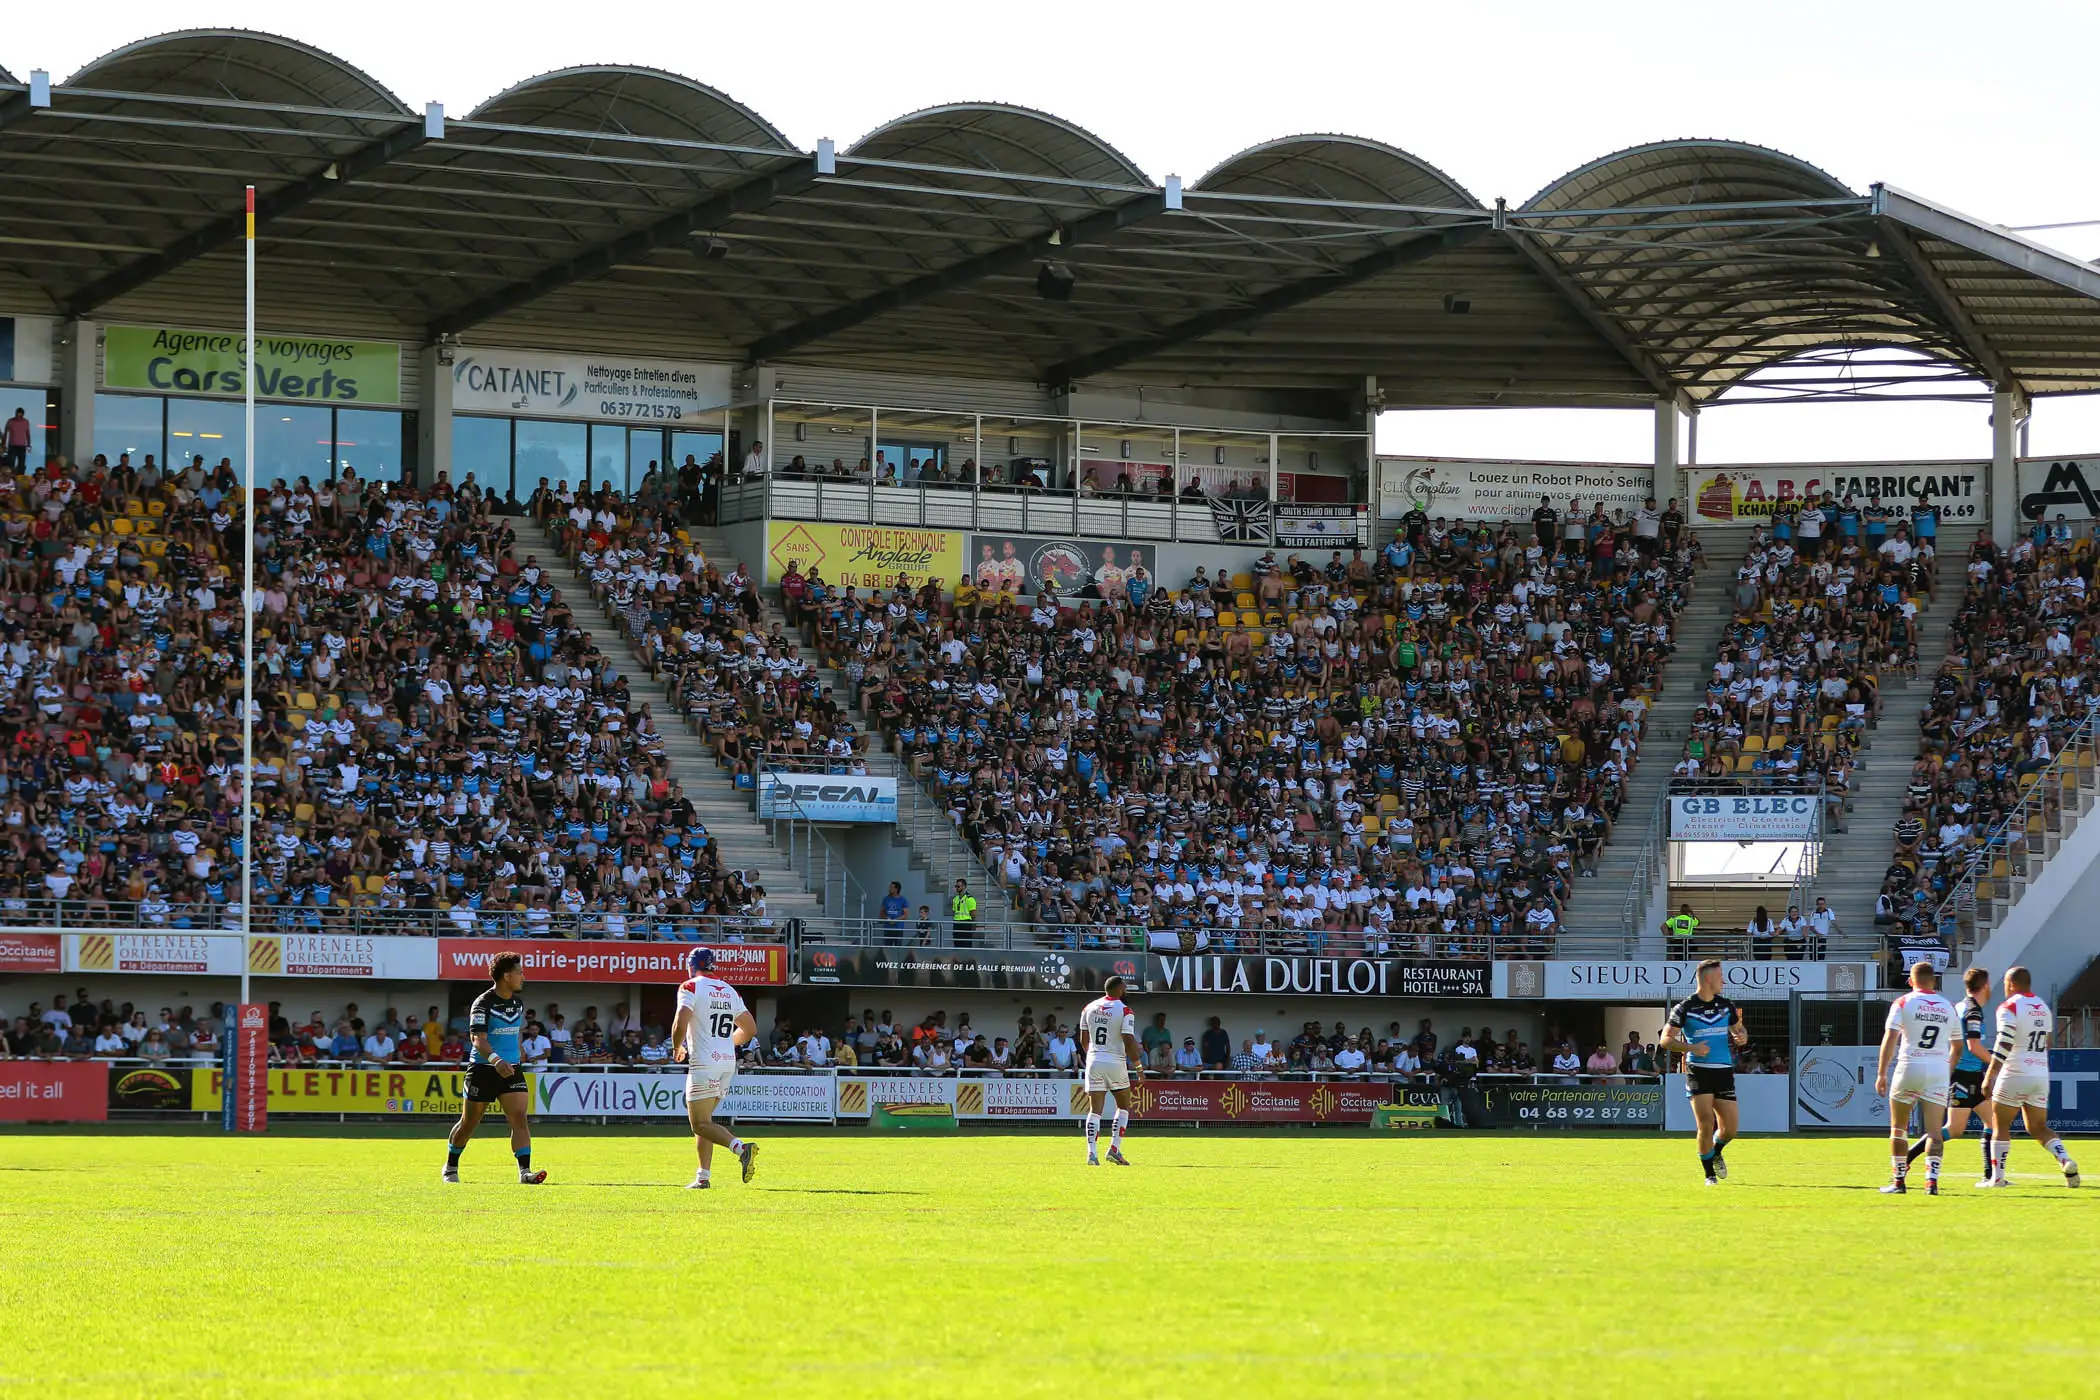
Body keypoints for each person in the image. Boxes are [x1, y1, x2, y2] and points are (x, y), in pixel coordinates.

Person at [444, 951, 547, 1185]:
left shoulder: (517, 1003)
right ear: (506, 975)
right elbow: (477, 1038)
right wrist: (496, 1060)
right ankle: (450, 1166)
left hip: (511, 1069)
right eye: (520, 972)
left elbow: (513, 1034)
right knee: (470, 1122)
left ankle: (525, 1173)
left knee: (519, 1117)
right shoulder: (483, 1003)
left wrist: (517, 1053)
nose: (523, 976)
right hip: (484, 1068)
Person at [1977, 966, 2080, 1188]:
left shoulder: (2009, 1006)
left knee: (2000, 1125)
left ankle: (1997, 1178)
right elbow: (2048, 1044)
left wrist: (1991, 1075)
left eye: (2005, 983)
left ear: (2012, 984)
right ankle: (2065, 1159)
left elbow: (2004, 1041)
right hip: (2039, 1073)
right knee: (2038, 1127)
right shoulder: (2043, 1007)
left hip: (2014, 1071)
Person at [670, 947, 759, 1189]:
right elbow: (750, 1029)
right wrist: (726, 1043)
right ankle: (703, 1177)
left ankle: (741, 1148)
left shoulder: (690, 986)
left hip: (704, 1062)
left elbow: (681, 1018)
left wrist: (677, 1047)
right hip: (726, 1063)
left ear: (691, 965)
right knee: (706, 1122)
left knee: (699, 1124)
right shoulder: (730, 991)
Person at [1660, 958, 1748, 1184]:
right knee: (1706, 1124)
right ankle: (1709, 1175)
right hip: (1698, 1071)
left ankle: (1716, 1151)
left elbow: (1739, 1029)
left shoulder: (1727, 1005)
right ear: (1708, 979)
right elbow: (1665, 1040)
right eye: (1720, 977)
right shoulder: (1684, 1008)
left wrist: (1741, 1037)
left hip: (1724, 1071)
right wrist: (1691, 1048)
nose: (1724, 981)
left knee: (1730, 1130)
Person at [1875, 961, 1955, 1195]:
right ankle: (1931, 1183)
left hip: (1909, 1067)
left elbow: (1890, 1039)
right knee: (1934, 1132)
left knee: (1898, 1129)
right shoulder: (1949, 1006)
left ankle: (1899, 1182)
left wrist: (1881, 1073)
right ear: (1935, 981)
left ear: (1911, 981)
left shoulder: (1902, 1002)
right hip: (1938, 1071)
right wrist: (1945, 1069)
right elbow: (1957, 1046)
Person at [1910, 967, 1995, 1180]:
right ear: (1985, 986)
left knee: (1994, 1122)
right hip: (1963, 1075)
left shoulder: (1959, 1006)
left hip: (1972, 1074)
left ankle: (1990, 1175)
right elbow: (1973, 1046)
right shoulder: (1972, 1011)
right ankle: (1907, 1155)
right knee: (1954, 1129)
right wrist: (1996, 1062)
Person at [1078, 975, 1143, 1166]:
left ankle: (1092, 1154)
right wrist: (1138, 1066)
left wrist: (1093, 1055)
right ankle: (1114, 1149)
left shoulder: (1088, 1008)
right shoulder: (1125, 1010)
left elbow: (1083, 1040)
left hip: (1094, 1060)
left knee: (1094, 1110)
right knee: (1123, 1106)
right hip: (1115, 1062)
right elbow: (1128, 1039)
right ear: (1120, 988)